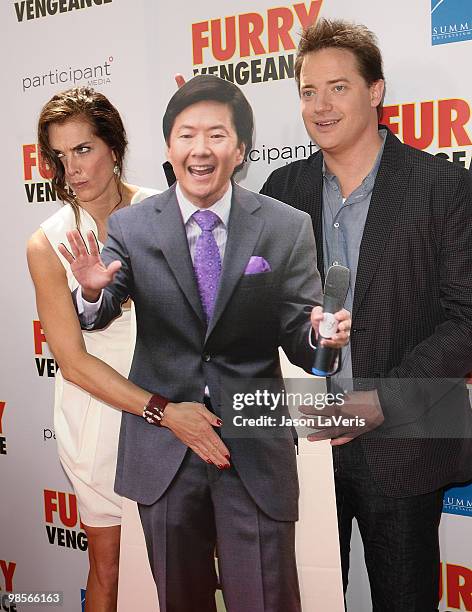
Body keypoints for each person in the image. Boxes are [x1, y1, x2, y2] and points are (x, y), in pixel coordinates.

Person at [60, 74, 352, 612]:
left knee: (266, 600)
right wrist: (91, 294)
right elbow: (100, 313)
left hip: (254, 452)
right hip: (165, 455)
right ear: (169, 146)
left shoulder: (284, 226)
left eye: (217, 135)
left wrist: (322, 336)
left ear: (241, 149)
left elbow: (301, 336)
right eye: (187, 135)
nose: (201, 149)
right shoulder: (131, 227)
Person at [260, 19, 472, 612]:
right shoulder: (282, 189)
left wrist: (379, 400)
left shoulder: (441, 186)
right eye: (308, 91)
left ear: (375, 90)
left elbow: (466, 321)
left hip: (401, 446)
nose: (320, 106)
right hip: (303, 450)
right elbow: (267, 312)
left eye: (338, 88)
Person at [27, 86, 158, 612]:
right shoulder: (48, 242)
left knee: (190, 561)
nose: (72, 170)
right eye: (59, 156)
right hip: (99, 413)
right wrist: (159, 410)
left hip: (170, 399)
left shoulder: (164, 212)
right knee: (108, 565)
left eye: (83, 150)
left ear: (114, 148)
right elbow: (73, 361)